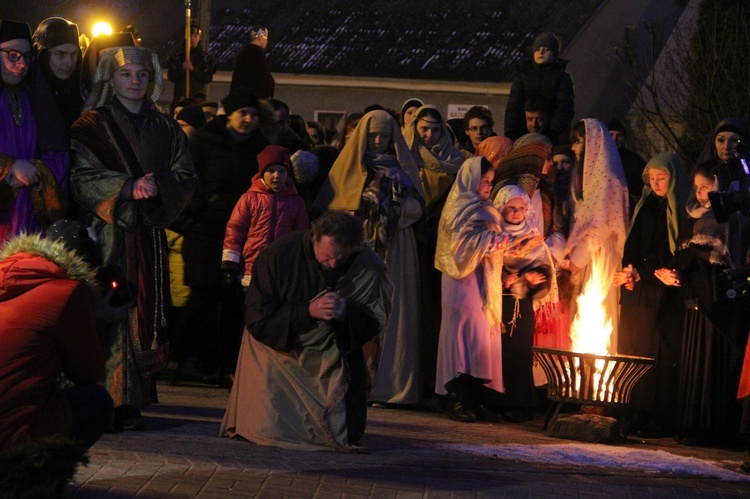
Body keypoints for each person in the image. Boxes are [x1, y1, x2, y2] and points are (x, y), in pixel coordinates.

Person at [69, 46, 196, 430]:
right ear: (112, 78)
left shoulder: (166, 127)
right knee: (110, 310)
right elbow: (79, 177)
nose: (135, 81)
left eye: (141, 74)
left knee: (142, 311)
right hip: (108, 233)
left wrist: (160, 187)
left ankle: (132, 398)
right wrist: (126, 187)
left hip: (148, 232)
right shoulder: (90, 124)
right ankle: (106, 399)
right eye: (126, 75)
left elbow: (186, 174)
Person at [220, 211, 393, 450]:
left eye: (340, 259)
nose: (333, 265)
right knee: (268, 428)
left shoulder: (369, 266)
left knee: (344, 432)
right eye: (327, 257)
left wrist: (345, 311)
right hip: (280, 348)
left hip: (334, 354)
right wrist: (308, 311)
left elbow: (373, 326)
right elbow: (258, 318)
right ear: (314, 238)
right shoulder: (279, 255)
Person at [314, 110, 425, 405]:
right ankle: (349, 381)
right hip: (357, 249)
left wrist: (398, 210)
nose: (378, 141)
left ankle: (390, 385)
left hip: (396, 248)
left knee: (395, 311)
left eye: (385, 136)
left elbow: (418, 205)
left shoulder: (403, 169)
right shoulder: (350, 168)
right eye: (373, 135)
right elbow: (334, 208)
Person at [180, 87, 272, 386]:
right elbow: (187, 180)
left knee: (235, 301)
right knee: (203, 296)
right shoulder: (205, 142)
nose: (247, 119)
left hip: (245, 233)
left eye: (253, 114)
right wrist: (202, 208)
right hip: (207, 230)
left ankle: (228, 365)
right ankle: (184, 359)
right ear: (229, 115)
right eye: (242, 113)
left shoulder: (259, 147)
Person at [655, 161, 750, 447]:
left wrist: (693, 271)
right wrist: (672, 274)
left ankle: (711, 428)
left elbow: (723, 263)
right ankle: (690, 425)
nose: (699, 194)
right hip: (693, 303)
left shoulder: (731, 219)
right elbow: (683, 257)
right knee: (693, 366)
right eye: (696, 188)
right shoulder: (691, 218)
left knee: (711, 367)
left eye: (706, 188)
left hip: (716, 306)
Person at [0, 220, 114, 449]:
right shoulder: (68, 293)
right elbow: (88, 373)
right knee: (96, 401)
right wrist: (101, 320)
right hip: (10, 439)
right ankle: (33, 475)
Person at [613, 153, 689, 437]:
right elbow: (632, 243)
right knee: (633, 345)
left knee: (656, 351)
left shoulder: (679, 208)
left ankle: (655, 415)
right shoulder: (645, 206)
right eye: (652, 178)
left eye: (662, 178)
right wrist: (628, 270)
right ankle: (631, 411)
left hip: (661, 290)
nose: (656, 183)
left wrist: (641, 273)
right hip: (638, 289)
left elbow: (671, 249)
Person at [434, 157, 508, 422]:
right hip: (461, 282)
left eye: (491, 181)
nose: (489, 186)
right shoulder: (459, 208)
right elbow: (460, 249)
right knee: (461, 336)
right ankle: (456, 398)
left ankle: (476, 397)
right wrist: (491, 238)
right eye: (484, 181)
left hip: (481, 281)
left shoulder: (483, 207)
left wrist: (498, 238)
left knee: (479, 336)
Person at [403, 104, 465, 399]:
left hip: (441, 240)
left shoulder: (457, 161)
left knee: (433, 312)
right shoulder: (405, 157)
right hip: (411, 236)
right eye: (423, 129)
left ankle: (431, 380)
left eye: (435, 129)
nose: (428, 135)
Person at [561, 119, 628, 349]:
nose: (573, 148)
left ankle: (598, 377)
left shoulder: (608, 178)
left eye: (577, 142)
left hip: (600, 255)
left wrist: (576, 260)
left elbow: (604, 224)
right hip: (588, 254)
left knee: (597, 314)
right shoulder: (590, 176)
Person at [0, 20, 69, 244]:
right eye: (12, 55)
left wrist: (36, 171)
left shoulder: (36, 99)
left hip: (30, 216)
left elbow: (58, 152)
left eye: (27, 56)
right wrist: (10, 168)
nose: (21, 64)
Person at [494, 184, 552, 422]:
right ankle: (495, 401)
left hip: (522, 303)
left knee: (520, 352)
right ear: (501, 207)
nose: (516, 213)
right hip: (499, 302)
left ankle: (520, 404)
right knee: (498, 352)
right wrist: (501, 278)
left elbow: (544, 268)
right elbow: (486, 261)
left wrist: (532, 278)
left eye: (521, 208)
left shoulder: (532, 234)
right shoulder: (494, 233)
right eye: (511, 208)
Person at [222, 144, 310, 287]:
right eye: (271, 170)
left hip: (283, 269)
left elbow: (301, 234)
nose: (277, 175)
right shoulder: (249, 198)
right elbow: (235, 230)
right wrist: (230, 264)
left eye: (282, 171)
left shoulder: (296, 202)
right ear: (262, 173)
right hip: (251, 269)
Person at [504, 32, 574, 145]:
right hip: (525, 130)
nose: (541, 52)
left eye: (546, 49)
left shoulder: (562, 78)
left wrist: (554, 132)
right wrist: (511, 132)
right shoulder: (522, 76)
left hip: (553, 133)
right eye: (537, 49)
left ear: (555, 54)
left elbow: (565, 108)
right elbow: (513, 106)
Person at [32, 17, 83, 129]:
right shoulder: (28, 98)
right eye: (60, 54)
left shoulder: (82, 96)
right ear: (44, 56)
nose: (69, 63)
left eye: (74, 54)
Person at [606, 119, 646, 216]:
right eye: (611, 134)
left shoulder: (635, 160)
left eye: (619, 135)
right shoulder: (598, 159)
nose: (614, 139)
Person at [166, 24, 216, 99]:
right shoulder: (177, 57)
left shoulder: (206, 59)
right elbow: (171, 77)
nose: (192, 39)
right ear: (186, 37)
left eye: (195, 36)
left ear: (199, 37)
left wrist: (192, 69)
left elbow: (207, 78)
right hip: (180, 98)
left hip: (197, 99)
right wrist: (183, 69)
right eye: (190, 36)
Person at [229, 26, 274, 99]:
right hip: (252, 99)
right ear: (259, 38)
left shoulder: (245, 53)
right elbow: (261, 77)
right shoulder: (256, 54)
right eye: (265, 38)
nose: (266, 41)